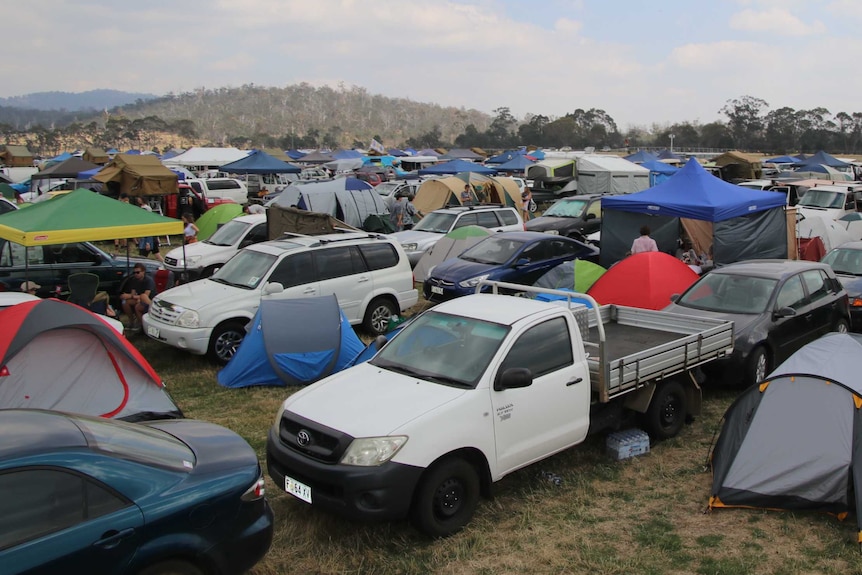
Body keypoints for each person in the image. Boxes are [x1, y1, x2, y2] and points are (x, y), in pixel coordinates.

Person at [120, 263, 155, 332]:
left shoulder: (148, 280)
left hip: (148, 300)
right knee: (124, 302)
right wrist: (126, 296)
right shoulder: (134, 280)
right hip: (138, 298)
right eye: (134, 272)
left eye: (138, 272)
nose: (136, 274)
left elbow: (145, 296)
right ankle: (131, 321)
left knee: (138, 305)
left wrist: (131, 296)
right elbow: (133, 292)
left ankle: (141, 325)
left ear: (143, 272)